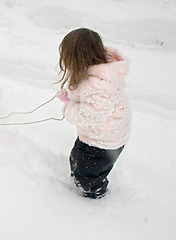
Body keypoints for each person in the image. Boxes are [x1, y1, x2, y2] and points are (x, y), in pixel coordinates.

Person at [56, 28, 132, 199]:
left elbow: (90, 116)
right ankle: (80, 176)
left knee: (89, 176)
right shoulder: (92, 71)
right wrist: (71, 95)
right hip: (94, 134)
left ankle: (95, 193)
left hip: (106, 141)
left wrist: (69, 107)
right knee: (77, 158)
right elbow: (87, 95)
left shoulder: (98, 85)